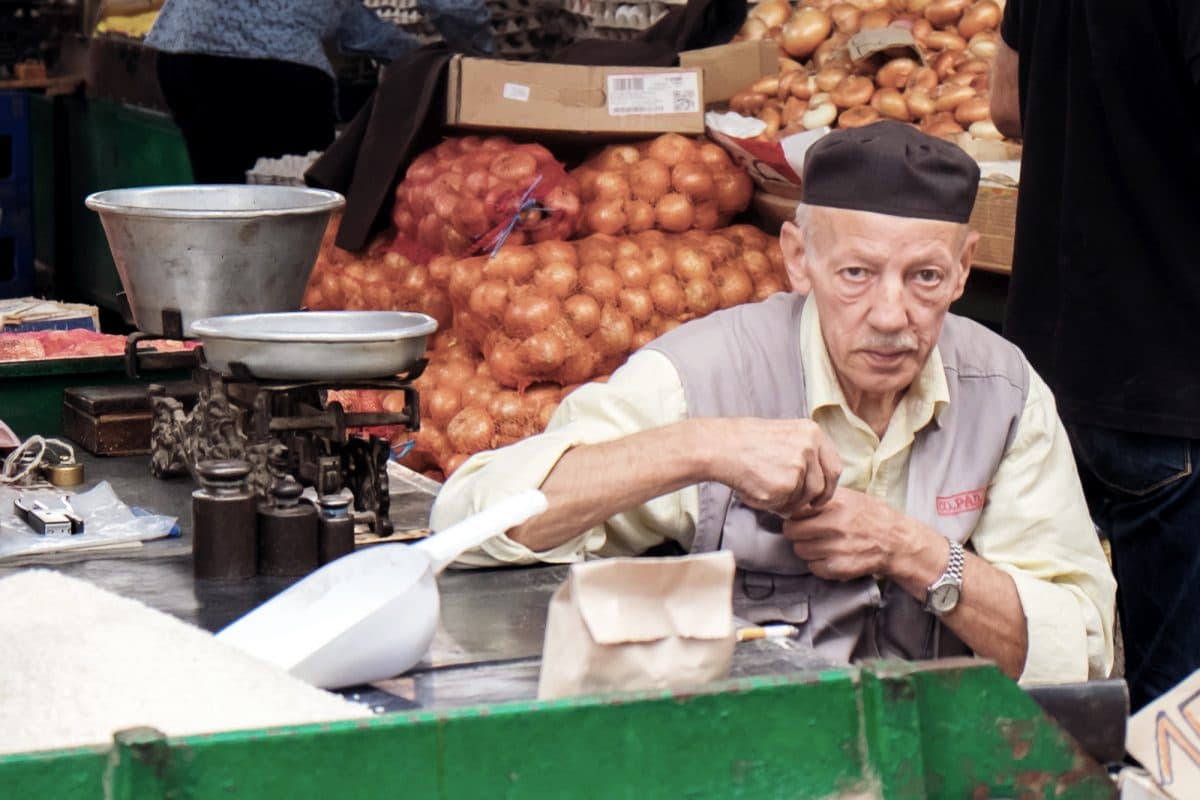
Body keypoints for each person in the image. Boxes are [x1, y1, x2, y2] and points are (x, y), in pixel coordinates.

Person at [431, 121, 1116, 684]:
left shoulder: (1003, 392)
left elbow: (1082, 647)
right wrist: (702, 448)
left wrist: (917, 552)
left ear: (965, 270)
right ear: (798, 258)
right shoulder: (701, 375)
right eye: (856, 273)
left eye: (926, 277)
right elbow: (468, 523)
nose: (890, 313)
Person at [990, 3, 1200, 710]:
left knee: (1071, 684)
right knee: (1177, 719)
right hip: (1172, 386)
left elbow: (1005, 104)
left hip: (1059, 370)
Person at [146, 0, 493, 183]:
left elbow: (341, 15)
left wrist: (418, 57)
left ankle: (227, 312)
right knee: (297, 209)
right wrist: (484, 69)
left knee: (224, 200)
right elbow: (455, 5)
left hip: (183, 52)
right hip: (271, 66)